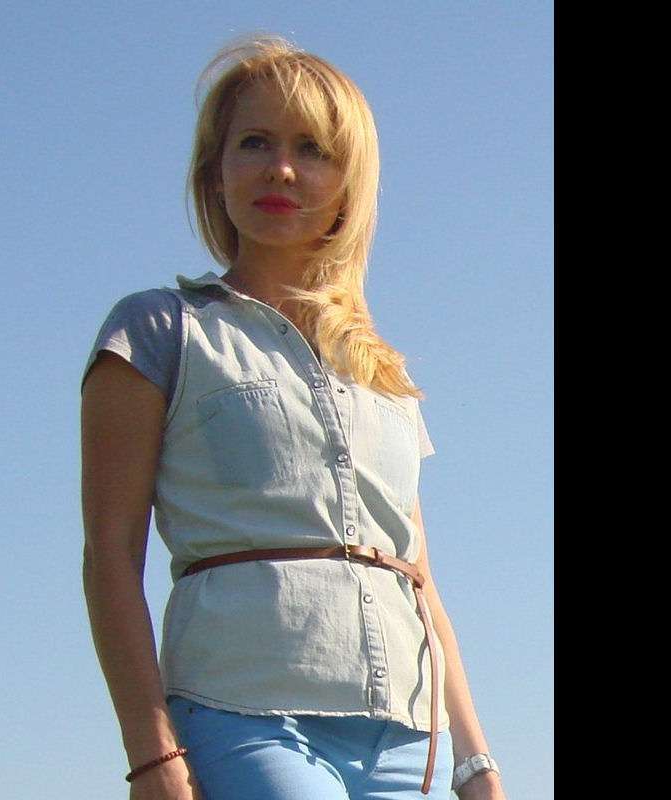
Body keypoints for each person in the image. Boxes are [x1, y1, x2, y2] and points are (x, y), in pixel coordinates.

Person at [81, 34, 507, 800]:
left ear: (349, 185)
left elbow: (419, 577)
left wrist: (476, 762)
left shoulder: (383, 374)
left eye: (312, 150)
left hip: (409, 739)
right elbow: (110, 555)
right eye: (255, 142)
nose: (281, 169)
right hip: (244, 713)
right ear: (214, 173)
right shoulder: (158, 331)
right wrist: (151, 752)